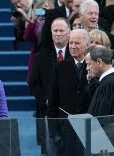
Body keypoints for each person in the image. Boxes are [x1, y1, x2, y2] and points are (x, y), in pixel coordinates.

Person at [30, 17, 71, 155]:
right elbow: (34, 83)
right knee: (49, 150)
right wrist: (46, 99)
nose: (58, 34)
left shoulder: (76, 54)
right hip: (47, 112)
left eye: (61, 30)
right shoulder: (39, 57)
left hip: (71, 112)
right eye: (55, 31)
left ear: (69, 32)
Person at [47, 29, 90, 156]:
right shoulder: (59, 67)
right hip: (66, 130)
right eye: (71, 43)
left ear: (87, 45)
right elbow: (53, 103)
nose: (72, 46)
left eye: (77, 43)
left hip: (90, 128)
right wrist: (54, 133)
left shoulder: (94, 67)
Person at [86, 45, 114, 116]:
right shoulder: (111, 80)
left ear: (99, 62)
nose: (87, 68)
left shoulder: (109, 85)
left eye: (89, 64)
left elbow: (102, 119)